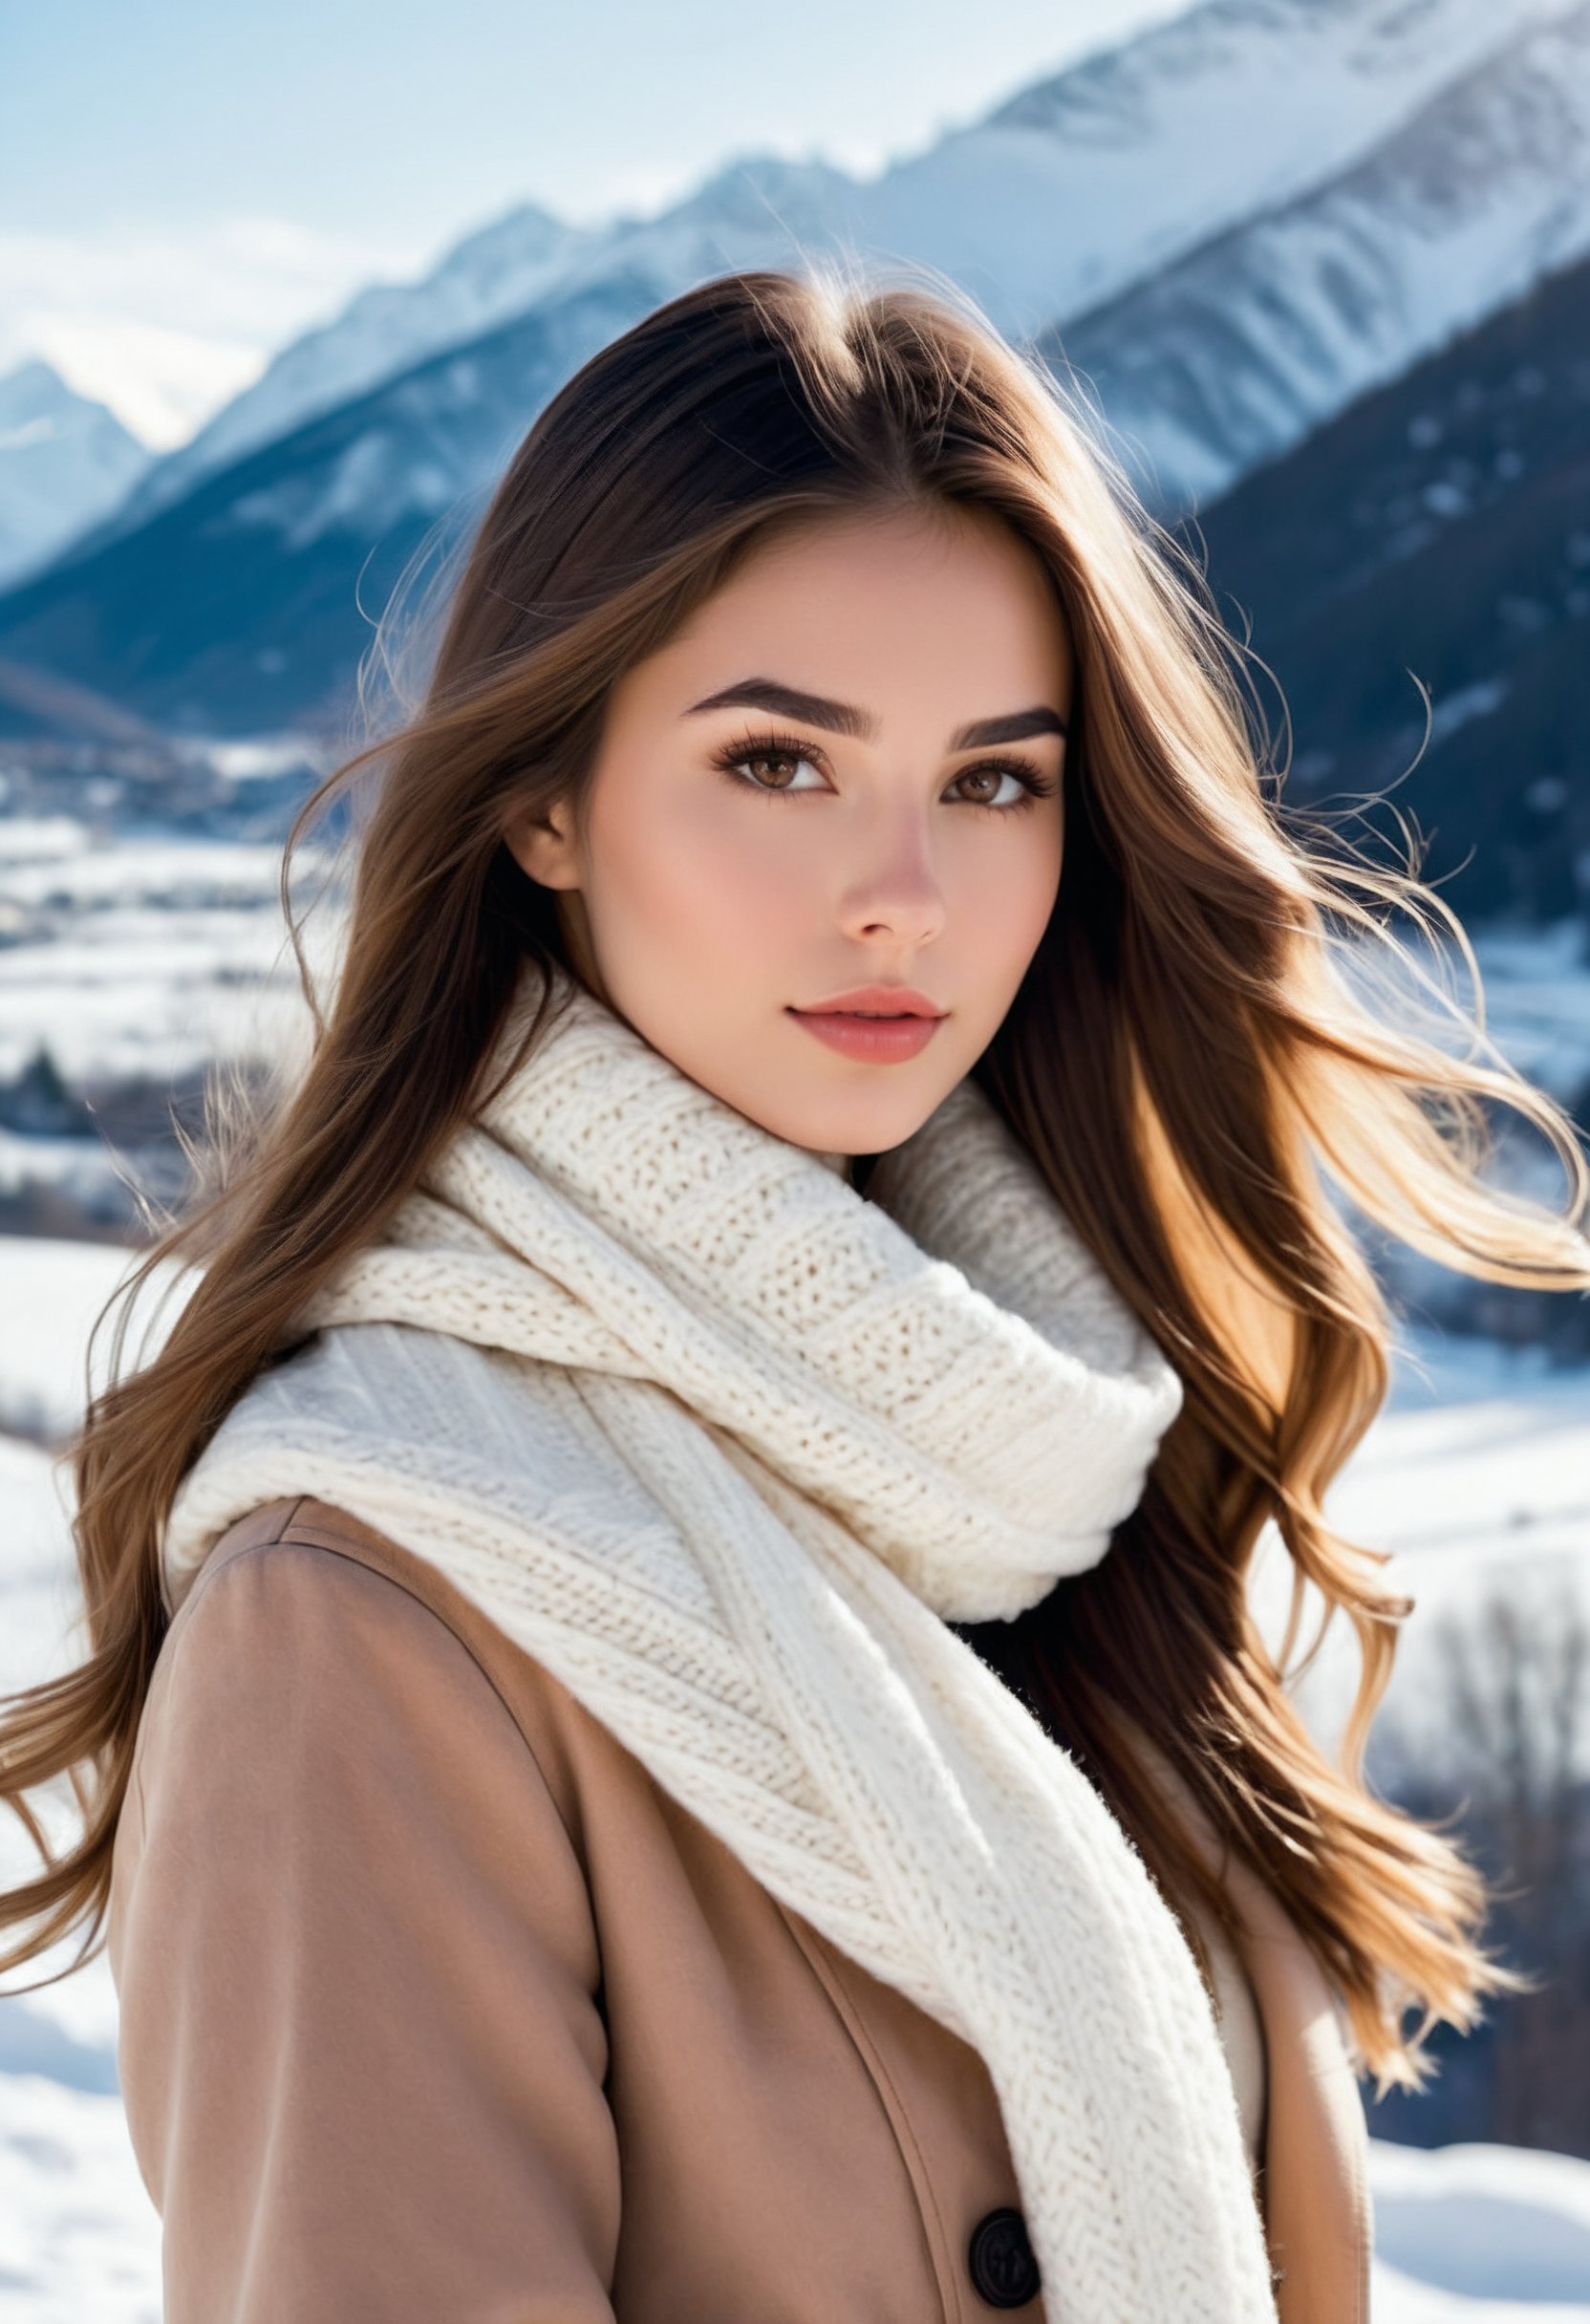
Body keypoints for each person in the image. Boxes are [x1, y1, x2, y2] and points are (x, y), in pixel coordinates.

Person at [4, 265, 1588, 2324]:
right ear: (544, 799)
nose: (904, 893)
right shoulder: (362, 1608)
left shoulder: (1056, 1459)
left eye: (995, 779)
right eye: (778, 763)